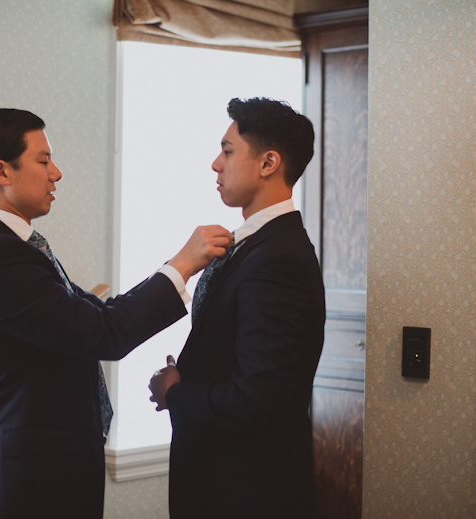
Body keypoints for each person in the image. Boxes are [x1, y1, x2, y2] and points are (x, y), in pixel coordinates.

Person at [0, 108, 231, 519]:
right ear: (0, 171)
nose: (57, 173)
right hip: (23, 486)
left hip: (40, 473)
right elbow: (104, 334)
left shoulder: (12, 247)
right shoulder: (0, 257)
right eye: (43, 161)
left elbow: (95, 315)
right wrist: (182, 264)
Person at [149, 98, 326, 518]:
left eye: (227, 151)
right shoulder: (257, 246)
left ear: (268, 163)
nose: (215, 163)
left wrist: (176, 392)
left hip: (247, 491)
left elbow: (258, 400)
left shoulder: (277, 258)